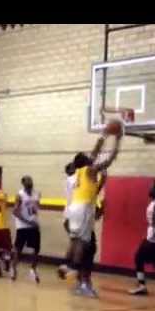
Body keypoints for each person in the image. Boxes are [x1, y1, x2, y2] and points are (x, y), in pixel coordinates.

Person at [59, 124, 122, 298]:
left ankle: (66, 265)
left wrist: (103, 136)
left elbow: (92, 190)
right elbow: (107, 160)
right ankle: (74, 272)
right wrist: (116, 140)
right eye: (88, 158)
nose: (91, 158)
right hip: (83, 209)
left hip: (74, 211)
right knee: (85, 243)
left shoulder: (77, 174)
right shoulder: (89, 170)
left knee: (76, 240)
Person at [11, 176, 41, 283]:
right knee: (18, 249)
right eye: (27, 181)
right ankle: (13, 269)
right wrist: (28, 221)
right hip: (22, 226)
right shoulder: (20, 195)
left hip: (34, 225)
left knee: (36, 249)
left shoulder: (37, 194)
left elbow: (36, 208)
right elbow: (15, 212)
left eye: (30, 181)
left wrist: (35, 220)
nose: (30, 183)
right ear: (23, 184)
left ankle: (33, 269)